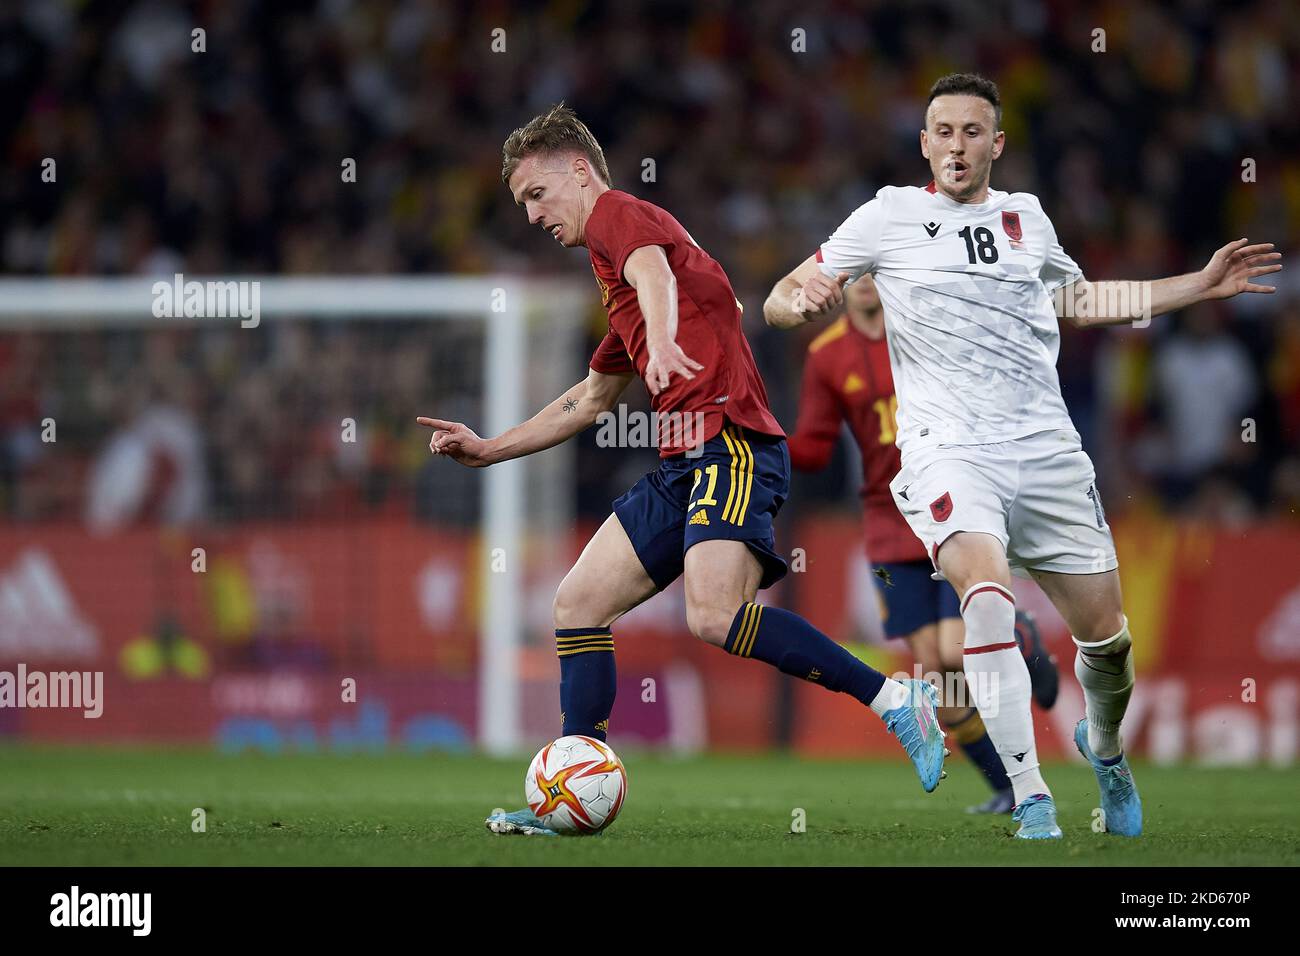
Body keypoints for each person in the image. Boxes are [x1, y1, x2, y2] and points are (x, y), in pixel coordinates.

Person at [764, 73, 1282, 839]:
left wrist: (1196, 286)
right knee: (984, 589)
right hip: (948, 451)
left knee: (1107, 643)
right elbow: (785, 291)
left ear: (996, 144)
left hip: (1045, 448)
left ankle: (1102, 748)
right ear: (925, 144)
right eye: (943, 131)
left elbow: (1080, 302)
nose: (956, 145)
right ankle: (1033, 795)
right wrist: (795, 304)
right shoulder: (888, 215)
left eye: (973, 132)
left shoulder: (1026, 220)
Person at [419, 104, 946, 836]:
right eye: (521, 206)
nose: (532, 215)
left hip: (730, 443)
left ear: (577, 171)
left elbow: (653, 269)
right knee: (576, 606)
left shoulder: (618, 217)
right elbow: (589, 399)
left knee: (711, 614)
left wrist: (662, 340)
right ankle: (576, 785)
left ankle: (894, 700)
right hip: (682, 463)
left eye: (535, 195)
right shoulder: (620, 297)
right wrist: (489, 448)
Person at [788, 275, 1061, 814]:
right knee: (935, 671)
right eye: (854, 273)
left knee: (958, 650)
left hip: (949, 498)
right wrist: (760, 436)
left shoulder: (925, 327)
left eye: (875, 270)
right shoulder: (825, 356)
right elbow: (816, 449)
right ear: (840, 283)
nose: (866, 283)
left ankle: (1020, 639)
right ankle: (1008, 787)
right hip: (885, 519)